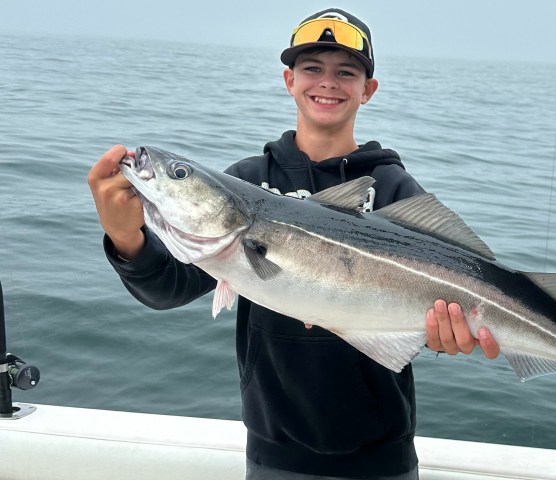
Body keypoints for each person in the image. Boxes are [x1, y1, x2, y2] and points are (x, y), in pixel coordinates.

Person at [88, 8, 499, 480]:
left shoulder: (392, 188)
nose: (328, 83)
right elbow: (168, 290)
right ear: (289, 79)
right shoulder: (247, 181)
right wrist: (125, 236)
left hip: (381, 452)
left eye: (346, 72)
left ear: (368, 90)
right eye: (312, 69)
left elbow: (441, 304)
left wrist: (446, 336)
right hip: (273, 448)